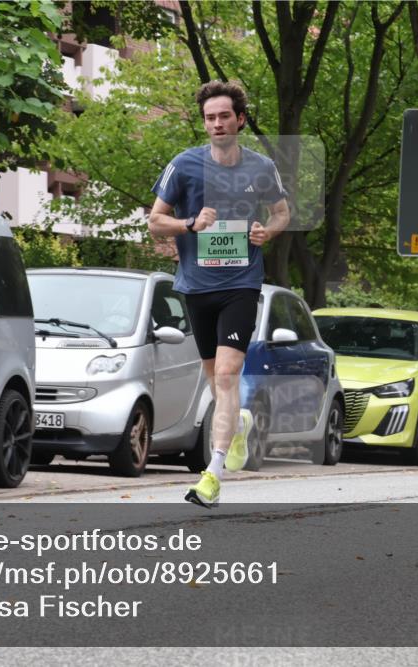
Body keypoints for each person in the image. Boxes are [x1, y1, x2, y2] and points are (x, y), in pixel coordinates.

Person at [148, 81, 290, 508]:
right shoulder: (184, 165)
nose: (217, 124)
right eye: (210, 118)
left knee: (227, 374)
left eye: (224, 116)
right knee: (216, 380)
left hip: (241, 284)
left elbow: (281, 212)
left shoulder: (262, 167)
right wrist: (190, 224)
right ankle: (238, 426)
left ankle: (213, 472)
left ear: (240, 119)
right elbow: (155, 222)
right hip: (197, 286)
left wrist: (269, 231)